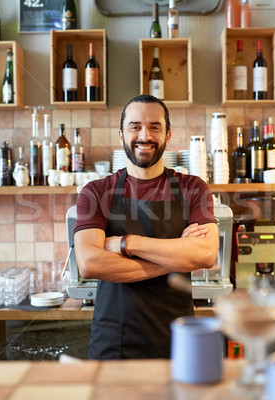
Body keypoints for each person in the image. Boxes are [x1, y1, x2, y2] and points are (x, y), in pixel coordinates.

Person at [74, 94, 219, 360]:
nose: (145, 135)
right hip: (115, 341)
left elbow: (206, 255)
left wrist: (126, 243)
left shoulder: (193, 188)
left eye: (155, 127)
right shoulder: (95, 192)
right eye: (135, 126)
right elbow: (90, 263)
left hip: (178, 339)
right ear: (121, 135)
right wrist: (177, 257)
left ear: (168, 135)